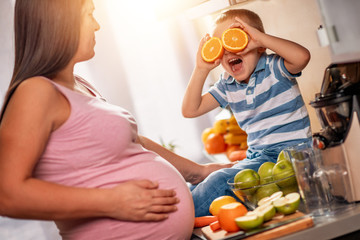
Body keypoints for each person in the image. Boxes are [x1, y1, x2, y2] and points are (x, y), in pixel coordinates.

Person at [0, 0, 233, 239]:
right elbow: (7, 194)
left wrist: (198, 172)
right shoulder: (35, 91)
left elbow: (132, 141)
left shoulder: (79, 85)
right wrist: (113, 201)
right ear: (59, 21)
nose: (97, 25)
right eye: (89, 14)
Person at [182, 9, 312, 217]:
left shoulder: (274, 68)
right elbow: (190, 109)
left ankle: (174, 222)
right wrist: (201, 68)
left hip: (289, 156)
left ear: (257, 45)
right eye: (221, 46)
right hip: (258, 157)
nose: (228, 50)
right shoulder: (227, 84)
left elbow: (302, 56)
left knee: (218, 180)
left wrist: (260, 38)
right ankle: (182, 216)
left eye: (236, 40)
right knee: (196, 187)